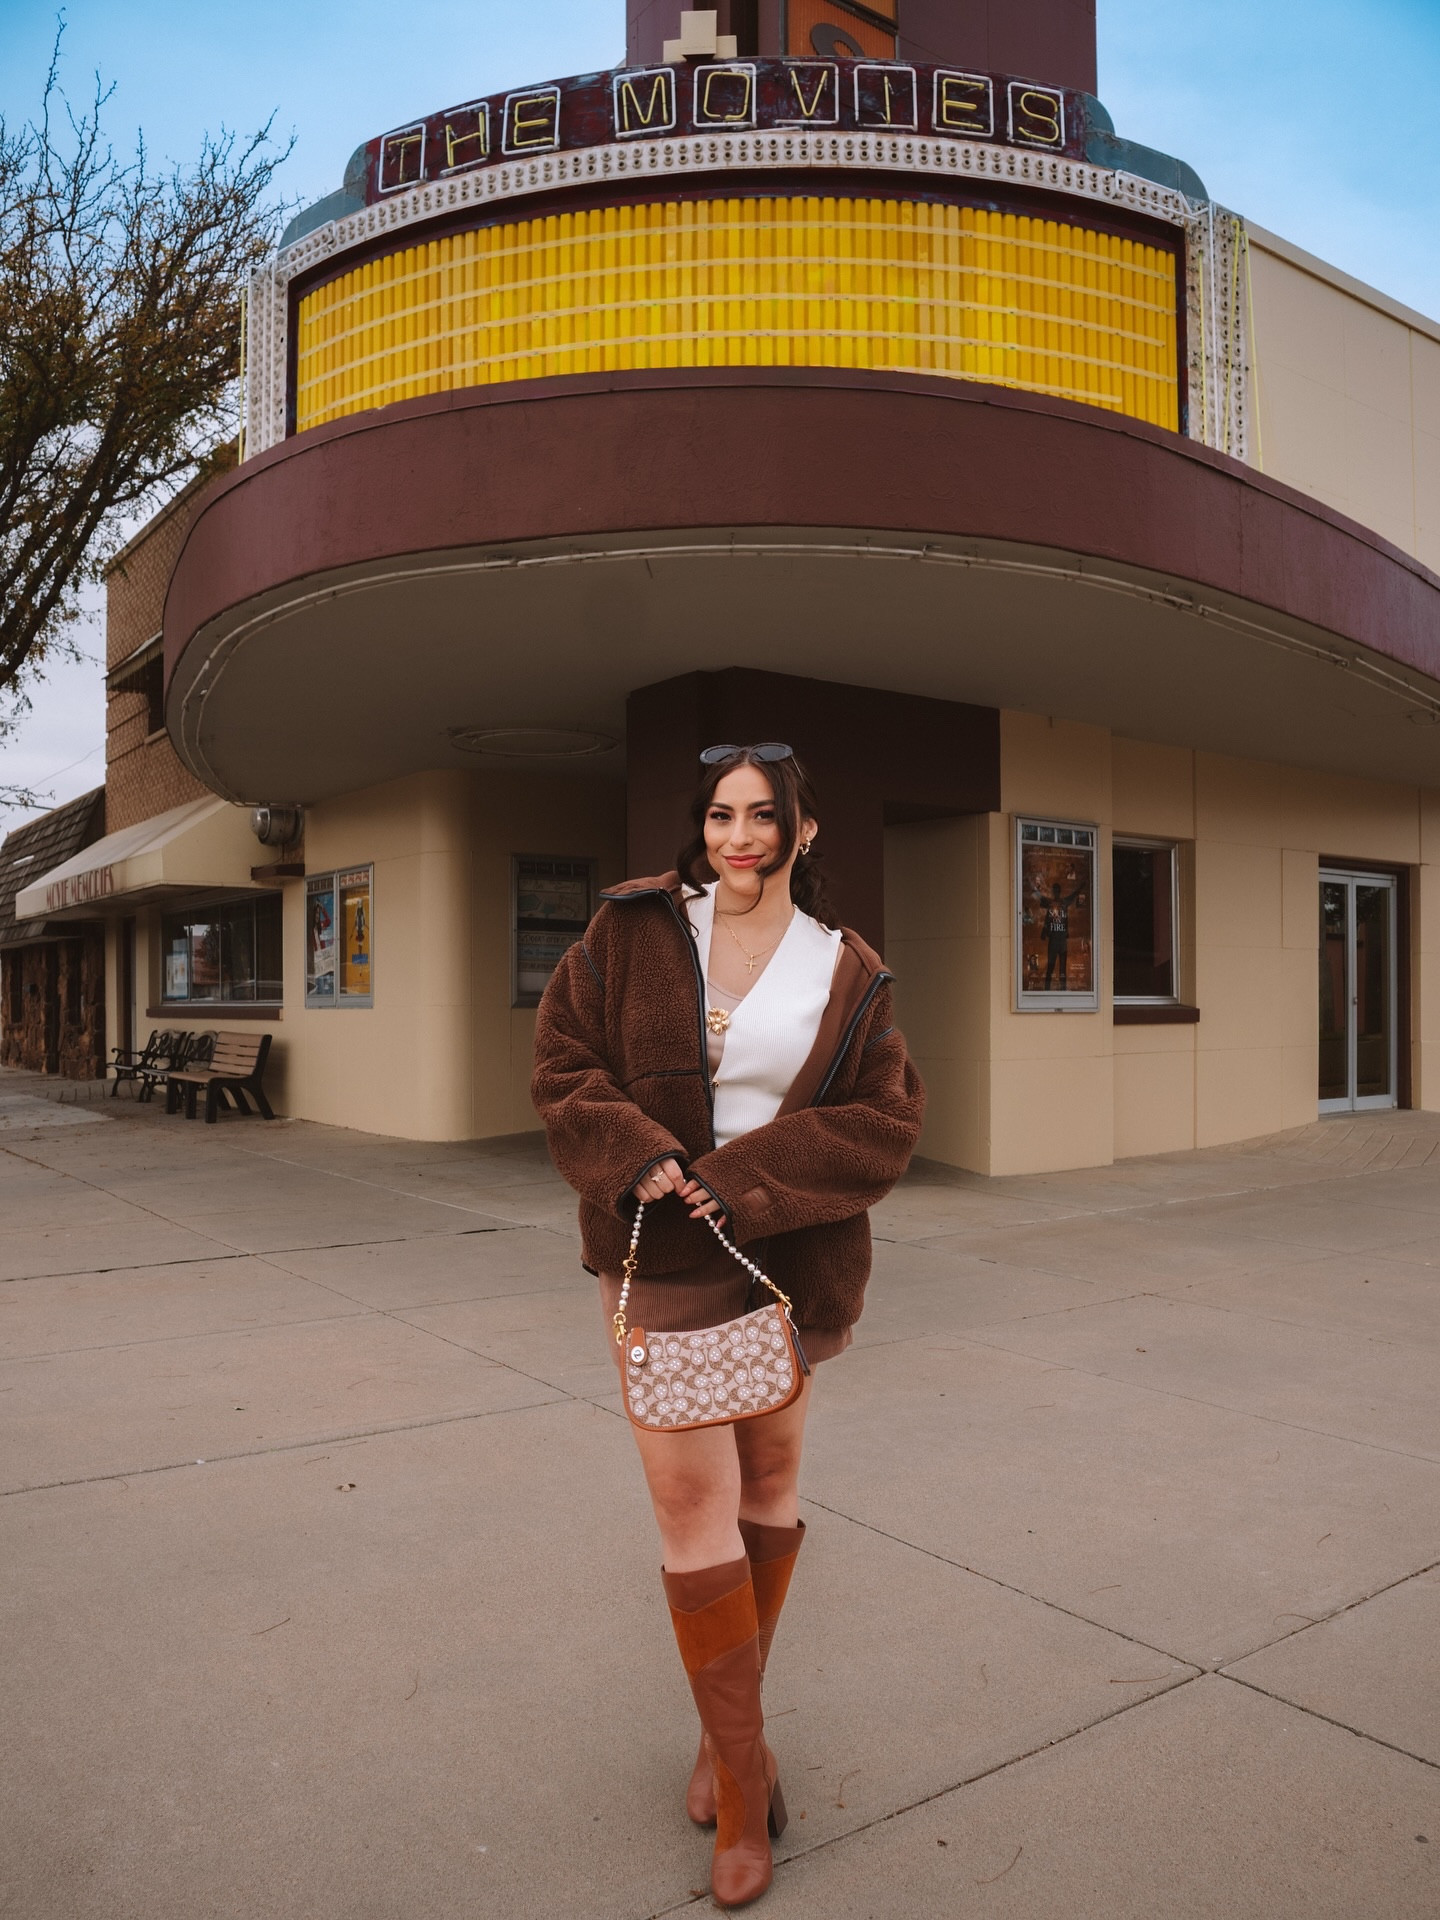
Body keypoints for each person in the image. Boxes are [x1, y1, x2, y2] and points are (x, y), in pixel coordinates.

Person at [532, 743, 924, 1908]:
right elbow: (561, 1065)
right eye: (719, 815)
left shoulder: (848, 971)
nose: (738, 836)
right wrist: (638, 1151)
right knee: (691, 1503)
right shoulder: (633, 931)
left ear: (805, 833)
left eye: (762, 817)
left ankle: (723, 1737)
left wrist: (747, 1176)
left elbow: (885, 1121)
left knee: (767, 1490)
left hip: (787, 1255)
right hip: (660, 1256)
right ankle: (748, 1793)